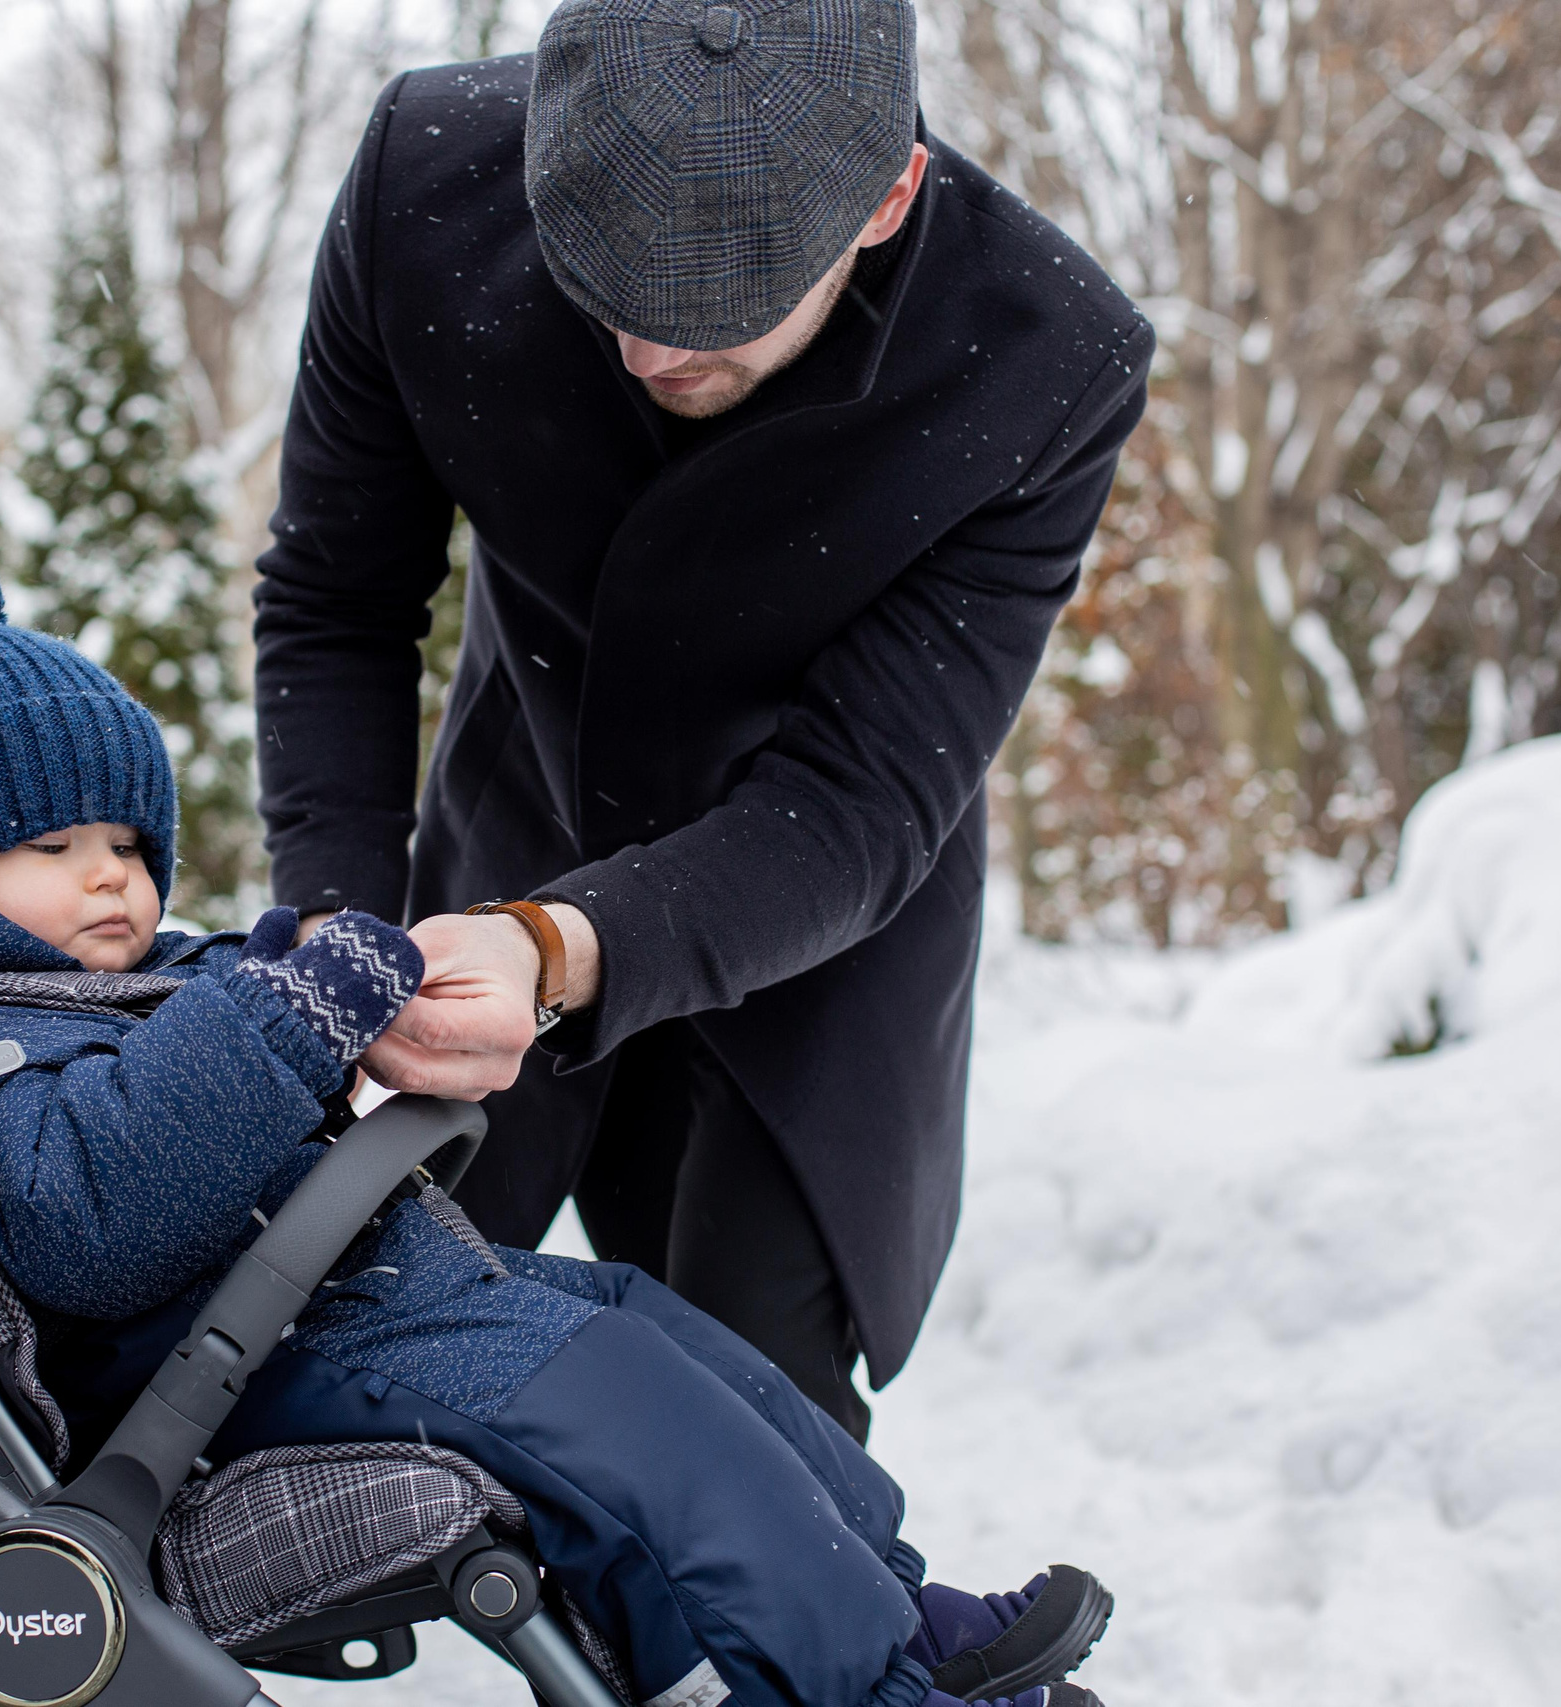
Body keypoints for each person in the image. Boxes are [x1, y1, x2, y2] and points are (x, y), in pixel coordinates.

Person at [0, 537, 1113, 1707]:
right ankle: (849, 1692)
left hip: (335, 1305)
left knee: (657, 1332)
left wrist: (286, 984)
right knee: (625, 1428)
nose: (113, 877)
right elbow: (86, 1216)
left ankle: (892, 1613)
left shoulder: (83, 991)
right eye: (52, 846)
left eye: (128, 844)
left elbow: (189, 1051)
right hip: (223, 1372)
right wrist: (269, 1023)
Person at [252, 0, 1155, 1440]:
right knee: (341, 1339)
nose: (644, 352)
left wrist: (561, 950)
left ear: (888, 198)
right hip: (511, 836)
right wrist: (334, 927)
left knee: (755, 1419)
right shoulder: (421, 179)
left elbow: (858, 802)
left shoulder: (1042, 363)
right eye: (603, 286)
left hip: (813, 919)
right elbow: (336, 599)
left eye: (718, 311)